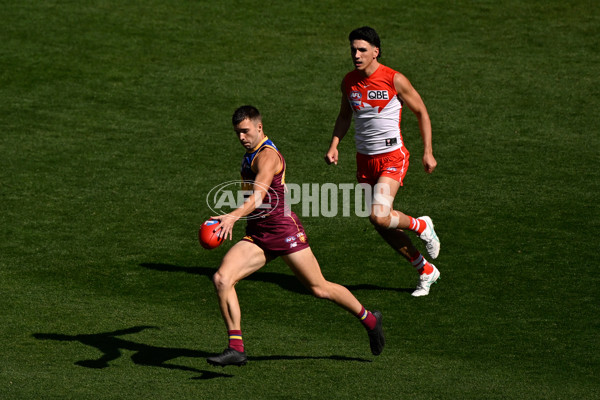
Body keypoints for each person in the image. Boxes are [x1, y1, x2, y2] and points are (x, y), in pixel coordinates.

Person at [206, 105, 384, 367]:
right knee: (222, 278)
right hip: (258, 234)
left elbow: (259, 194)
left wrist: (233, 215)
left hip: (283, 231)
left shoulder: (266, 157)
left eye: (245, 131)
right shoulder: (251, 152)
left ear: (259, 127)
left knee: (319, 288)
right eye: (237, 133)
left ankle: (370, 319)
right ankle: (236, 348)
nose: (241, 137)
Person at [324, 26, 441, 297]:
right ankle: (425, 270)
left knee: (379, 214)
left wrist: (428, 151)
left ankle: (421, 225)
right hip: (364, 162)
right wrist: (334, 144)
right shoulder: (349, 81)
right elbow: (344, 116)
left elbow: (421, 111)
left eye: (362, 49)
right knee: (380, 222)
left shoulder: (394, 79)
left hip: (392, 157)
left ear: (376, 52)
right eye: (353, 49)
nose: (356, 54)